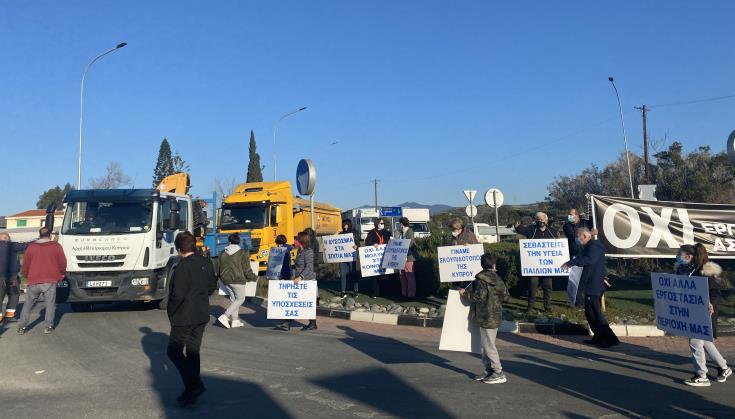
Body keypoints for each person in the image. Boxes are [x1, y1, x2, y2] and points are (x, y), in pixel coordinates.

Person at [166, 231, 217, 407]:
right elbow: (212, 286)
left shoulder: (182, 266)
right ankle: (192, 389)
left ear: (179, 248)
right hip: (201, 313)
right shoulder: (205, 261)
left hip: (183, 315)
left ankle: (194, 385)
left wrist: (171, 311)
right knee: (193, 351)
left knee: (174, 352)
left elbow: (177, 294)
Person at [674, 244, 731, 387]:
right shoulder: (690, 270)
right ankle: (724, 367)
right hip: (694, 311)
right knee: (705, 342)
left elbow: (714, 292)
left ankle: (701, 375)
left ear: (693, 256)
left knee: (695, 341)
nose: (681, 257)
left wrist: (711, 304)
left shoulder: (705, 271)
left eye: (684, 255)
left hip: (705, 312)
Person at [561, 227, 619, 348]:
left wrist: (571, 263)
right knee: (590, 314)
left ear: (585, 236)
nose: (577, 239)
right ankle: (598, 336)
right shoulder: (589, 246)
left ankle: (610, 338)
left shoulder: (594, 247)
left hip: (594, 285)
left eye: (578, 236)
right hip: (590, 284)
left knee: (596, 313)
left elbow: (589, 260)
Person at [459, 252, 508, 384]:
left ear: (482, 264)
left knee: (488, 346)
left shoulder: (480, 279)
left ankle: (498, 372)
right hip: (496, 314)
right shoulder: (497, 278)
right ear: (494, 264)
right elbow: (505, 295)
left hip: (485, 315)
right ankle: (489, 370)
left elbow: (477, 297)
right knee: (485, 345)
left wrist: (465, 294)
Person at [17, 227, 66, 335]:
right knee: (50, 304)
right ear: (50, 235)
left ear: (39, 235)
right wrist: (61, 274)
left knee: (28, 305)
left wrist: (27, 275)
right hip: (50, 280)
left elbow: (25, 264)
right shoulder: (56, 246)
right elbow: (62, 262)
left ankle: (22, 327)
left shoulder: (31, 247)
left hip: (33, 280)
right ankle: (48, 326)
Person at [514, 212, 557, 313]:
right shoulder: (531, 230)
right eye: (538, 219)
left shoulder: (552, 232)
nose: (540, 220)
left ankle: (547, 307)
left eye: (542, 218)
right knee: (532, 287)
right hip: (534, 267)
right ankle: (530, 307)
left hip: (547, 267)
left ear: (546, 220)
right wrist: (517, 225)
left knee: (548, 287)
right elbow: (520, 228)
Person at [216, 233, 258, 329]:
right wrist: (254, 278)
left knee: (234, 299)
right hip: (238, 279)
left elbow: (218, 267)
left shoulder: (222, 252)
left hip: (225, 280)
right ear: (238, 242)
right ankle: (225, 316)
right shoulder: (243, 252)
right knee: (240, 299)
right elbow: (246, 269)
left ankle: (235, 320)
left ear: (229, 242)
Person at [562, 209, 594, 307]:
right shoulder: (567, 226)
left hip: (587, 254)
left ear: (577, 215)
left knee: (588, 279)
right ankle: (577, 302)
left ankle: (589, 301)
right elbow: (574, 237)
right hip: (575, 254)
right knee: (576, 280)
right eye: (568, 214)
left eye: (571, 214)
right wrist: (591, 234)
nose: (569, 216)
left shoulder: (585, 222)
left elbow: (596, 220)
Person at [0, 233, 28, 324]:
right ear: (8, 239)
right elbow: (28, 245)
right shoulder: (12, 245)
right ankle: (9, 316)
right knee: (14, 294)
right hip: (12, 277)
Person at [294, 231, 317, 331]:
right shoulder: (300, 251)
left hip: (307, 281)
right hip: (300, 281)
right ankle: (287, 321)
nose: (295, 241)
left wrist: (300, 277)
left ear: (301, 240)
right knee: (296, 301)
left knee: (307, 303)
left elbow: (309, 267)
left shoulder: (308, 251)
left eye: (297, 239)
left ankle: (312, 323)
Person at [365, 218, 391, 298]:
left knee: (384, 275)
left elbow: (391, 240)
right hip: (375, 258)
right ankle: (374, 293)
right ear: (377, 224)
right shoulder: (372, 232)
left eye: (383, 223)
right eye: (381, 223)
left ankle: (384, 293)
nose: (382, 224)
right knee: (375, 276)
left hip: (385, 255)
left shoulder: (386, 232)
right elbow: (367, 242)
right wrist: (373, 244)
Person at [396, 217, 419, 298]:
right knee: (402, 275)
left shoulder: (409, 231)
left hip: (409, 257)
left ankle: (411, 294)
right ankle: (404, 293)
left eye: (400, 224)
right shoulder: (401, 233)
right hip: (401, 257)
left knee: (409, 275)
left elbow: (411, 243)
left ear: (402, 224)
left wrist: (403, 247)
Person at [339, 220, 360, 298]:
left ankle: (355, 290)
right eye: (343, 224)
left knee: (353, 273)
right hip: (342, 257)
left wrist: (356, 246)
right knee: (342, 274)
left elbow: (358, 244)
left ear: (349, 224)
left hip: (352, 256)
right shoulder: (340, 234)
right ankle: (343, 291)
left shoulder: (354, 232)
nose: (345, 226)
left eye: (346, 224)